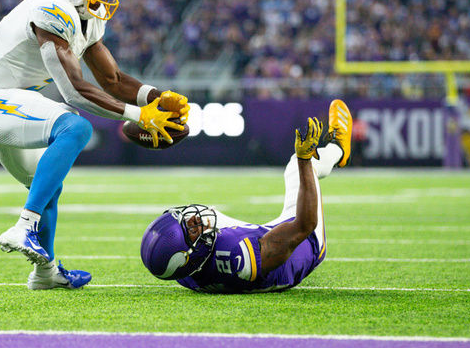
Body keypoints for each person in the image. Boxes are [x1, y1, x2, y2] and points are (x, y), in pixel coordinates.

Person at [0, 0, 190, 290]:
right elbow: (74, 91)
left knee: (47, 184)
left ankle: (45, 273)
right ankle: (24, 226)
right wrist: (139, 116)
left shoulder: (84, 17)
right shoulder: (51, 9)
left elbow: (111, 79)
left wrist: (155, 97)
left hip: (10, 102)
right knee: (74, 129)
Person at [141, 99, 353, 293]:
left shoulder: (184, 274)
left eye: (186, 219)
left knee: (210, 215)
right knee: (294, 167)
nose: (193, 218)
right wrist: (304, 159)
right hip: (302, 245)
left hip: (229, 254)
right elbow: (304, 226)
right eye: (192, 229)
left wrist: (191, 234)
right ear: (188, 257)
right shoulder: (236, 256)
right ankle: (338, 147)